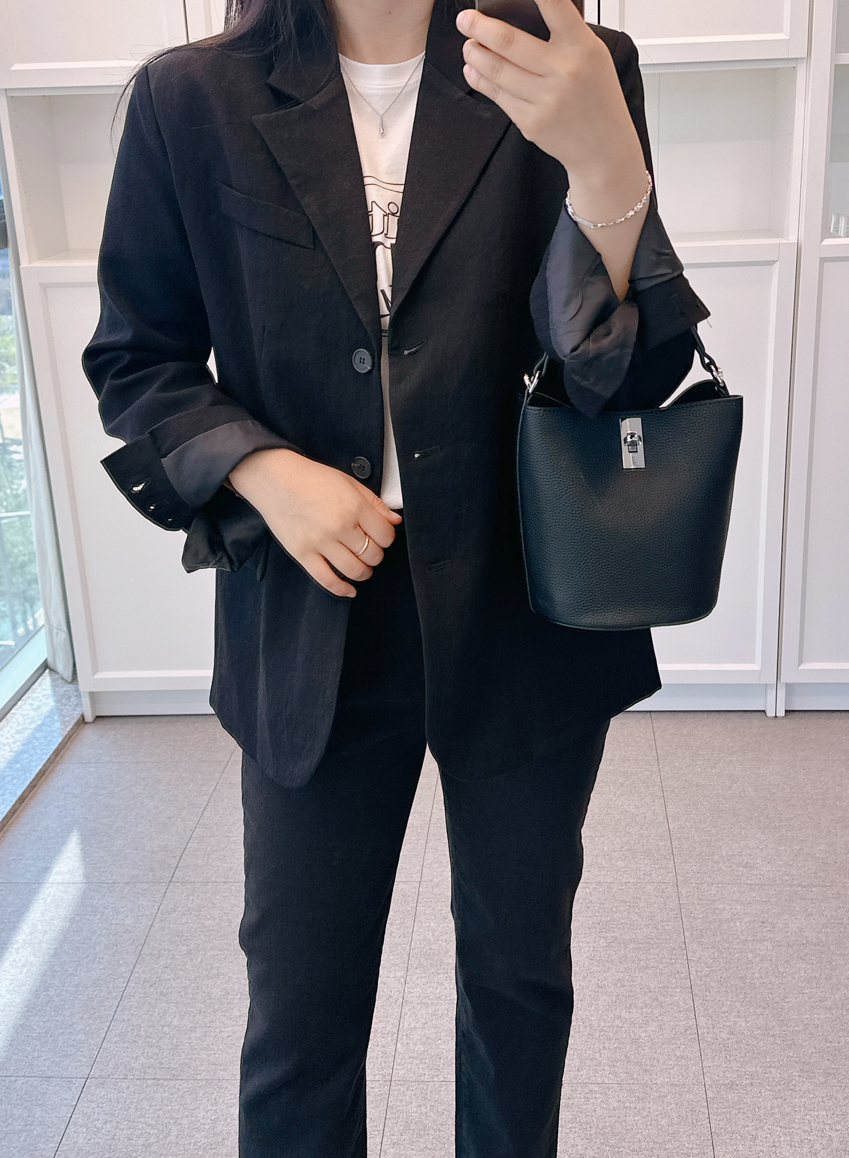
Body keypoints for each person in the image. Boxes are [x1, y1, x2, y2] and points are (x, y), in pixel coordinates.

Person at [82, 0, 709, 1151]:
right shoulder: (192, 97)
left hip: (523, 606)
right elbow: (138, 358)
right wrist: (263, 468)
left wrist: (606, 171)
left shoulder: (567, 62)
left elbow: (625, 379)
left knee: (520, 990)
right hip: (311, 609)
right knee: (300, 1020)